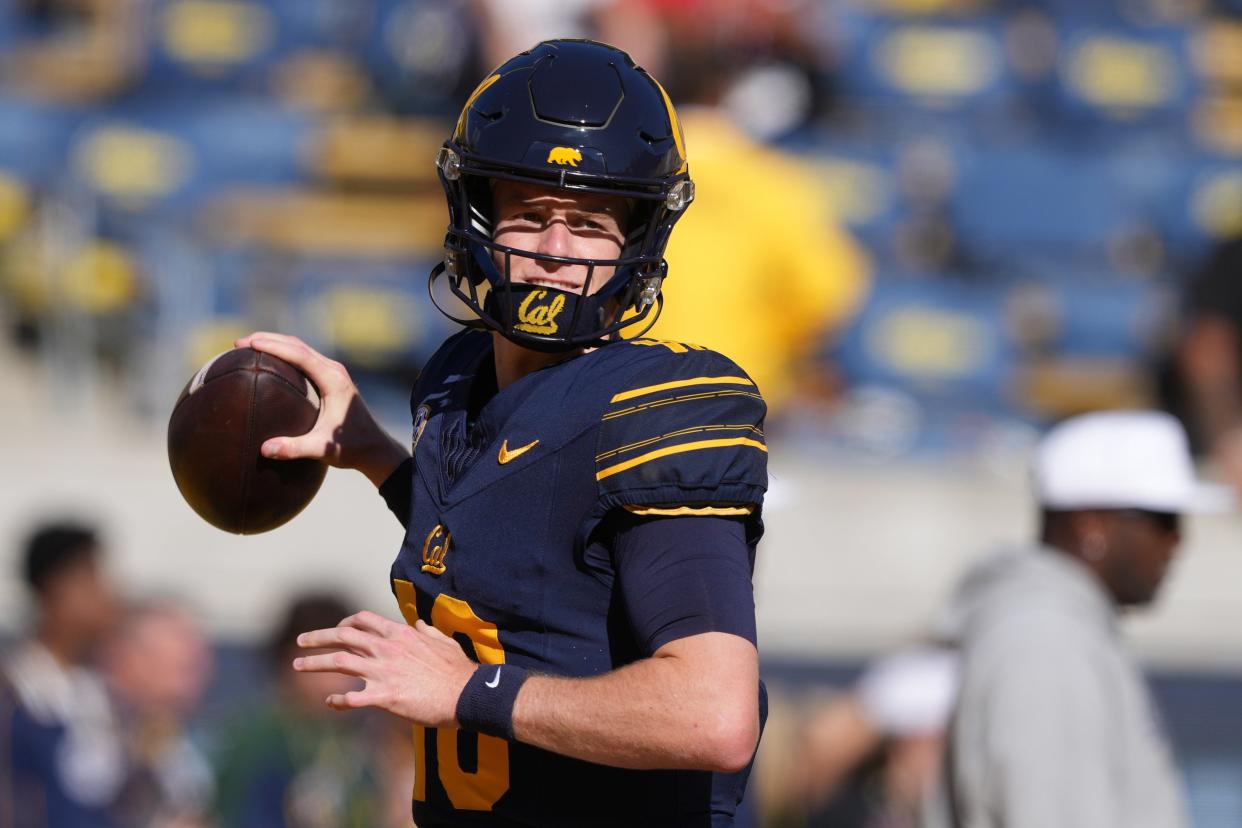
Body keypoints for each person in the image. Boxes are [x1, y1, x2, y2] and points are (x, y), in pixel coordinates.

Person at [235, 39, 767, 826]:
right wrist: (376, 456)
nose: (555, 252)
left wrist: (465, 692)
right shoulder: (457, 380)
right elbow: (521, 555)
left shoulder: (658, 406)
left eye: (589, 223)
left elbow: (713, 715)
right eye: (531, 215)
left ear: (637, 241)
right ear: (476, 218)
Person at [921, 410, 1220, 828]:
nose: (1178, 541)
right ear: (1091, 524)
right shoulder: (1046, 642)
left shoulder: (1059, 630)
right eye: (1162, 519)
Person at [211, 593, 383, 828]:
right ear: (289, 661)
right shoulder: (258, 740)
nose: (335, 678)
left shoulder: (366, 738)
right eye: (325, 660)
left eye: (347, 658)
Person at [1, 520, 125, 828]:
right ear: (54, 590)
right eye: (91, 580)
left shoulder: (101, 695)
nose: (108, 595)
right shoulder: (15, 694)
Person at [102, 599, 215, 828]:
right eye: (183, 666)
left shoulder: (191, 739)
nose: (205, 670)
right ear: (127, 658)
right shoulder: (91, 727)